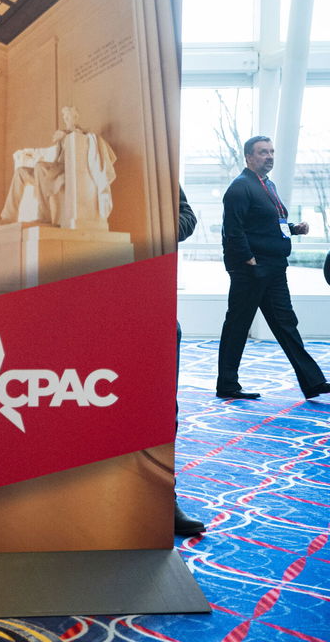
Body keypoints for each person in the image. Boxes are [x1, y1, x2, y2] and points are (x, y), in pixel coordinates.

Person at [215, 136, 329, 400]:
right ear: (248, 157)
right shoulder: (240, 188)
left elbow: (264, 226)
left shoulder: (267, 185)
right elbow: (233, 231)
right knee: (238, 326)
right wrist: (249, 261)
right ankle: (227, 385)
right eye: (263, 152)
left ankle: (312, 382)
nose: (269, 156)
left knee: (286, 324)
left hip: (274, 268)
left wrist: (292, 229)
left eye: (271, 151)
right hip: (251, 270)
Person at [0, 104, 117, 229]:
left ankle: (44, 217)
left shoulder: (82, 133)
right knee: (21, 171)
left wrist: (66, 134)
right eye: (64, 115)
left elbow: (83, 138)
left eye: (68, 115)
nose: (65, 118)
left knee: (40, 167)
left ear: (76, 116)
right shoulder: (62, 134)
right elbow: (51, 153)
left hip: (65, 171)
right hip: (52, 171)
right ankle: (7, 217)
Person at [174, 186, 205, 536]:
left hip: (144, 290)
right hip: (71, 290)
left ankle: (161, 496)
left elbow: (188, 217)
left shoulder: (152, 159)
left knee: (159, 408)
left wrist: (149, 228)